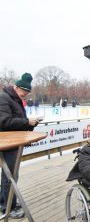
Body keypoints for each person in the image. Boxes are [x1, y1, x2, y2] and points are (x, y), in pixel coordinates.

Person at [0, 72, 39, 219]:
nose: (26, 95)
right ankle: (8, 208)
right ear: (16, 87)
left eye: (28, 93)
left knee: (9, 175)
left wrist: (30, 124)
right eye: (24, 92)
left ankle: (3, 202)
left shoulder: (15, 99)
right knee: (10, 176)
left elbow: (18, 121)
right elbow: (4, 121)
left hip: (13, 142)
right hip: (7, 143)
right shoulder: (4, 98)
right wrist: (26, 122)